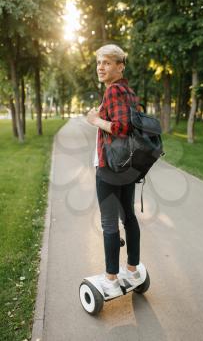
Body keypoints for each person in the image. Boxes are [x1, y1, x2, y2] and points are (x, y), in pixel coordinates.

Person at [87, 44, 143, 298]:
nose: (101, 67)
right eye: (99, 62)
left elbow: (121, 128)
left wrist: (95, 120)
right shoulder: (129, 92)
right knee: (128, 217)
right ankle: (132, 269)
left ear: (120, 66)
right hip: (127, 166)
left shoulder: (113, 91)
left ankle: (110, 278)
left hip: (110, 167)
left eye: (107, 63)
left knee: (110, 222)